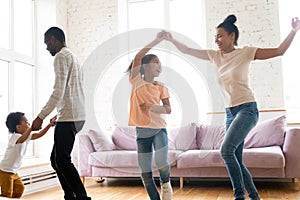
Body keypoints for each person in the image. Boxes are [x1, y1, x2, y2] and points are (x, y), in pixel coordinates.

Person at [164, 15, 300, 200]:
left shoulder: (245, 52)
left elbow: (279, 51)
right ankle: (253, 196)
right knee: (233, 156)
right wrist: (171, 39)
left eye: (220, 36)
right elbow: (188, 50)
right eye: (215, 37)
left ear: (232, 36)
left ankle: (239, 197)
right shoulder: (215, 56)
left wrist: (294, 30)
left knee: (225, 151)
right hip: (230, 112)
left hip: (247, 109)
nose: (216, 40)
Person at [31, 27, 89, 200]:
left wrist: (40, 116)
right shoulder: (73, 57)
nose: (46, 47)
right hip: (76, 115)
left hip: (70, 116)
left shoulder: (61, 56)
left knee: (62, 160)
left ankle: (82, 197)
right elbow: (70, 89)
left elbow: (58, 91)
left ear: (54, 39)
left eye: (47, 43)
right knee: (56, 160)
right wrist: (60, 111)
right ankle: (69, 195)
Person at [126, 31, 173, 200]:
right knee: (145, 173)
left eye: (160, 63)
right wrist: (156, 39)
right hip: (142, 132)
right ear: (145, 66)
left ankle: (166, 183)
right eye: (155, 62)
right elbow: (138, 56)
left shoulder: (161, 86)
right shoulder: (136, 80)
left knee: (161, 162)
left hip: (159, 129)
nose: (159, 65)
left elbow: (168, 109)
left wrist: (152, 107)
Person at [0, 112, 56, 198]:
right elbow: (21, 140)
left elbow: (39, 134)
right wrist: (31, 128)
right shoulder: (15, 137)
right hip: (5, 171)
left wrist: (49, 125)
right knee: (6, 194)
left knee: (20, 189)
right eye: (26, 122)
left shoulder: (26, 136)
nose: (29, 124)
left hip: (13, 171)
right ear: (18, 127)